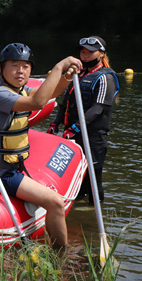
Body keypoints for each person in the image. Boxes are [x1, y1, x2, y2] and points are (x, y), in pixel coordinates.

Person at [0, 43, 81, 249]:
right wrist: (59, 67)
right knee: (55, 202)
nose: (21, 70)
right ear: (2, 68)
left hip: (6, 166)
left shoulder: (17, 89)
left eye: (26, 66)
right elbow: (38, 103)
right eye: (14, 65)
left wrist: (65, 78)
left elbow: (49, 94)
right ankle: (60, 256)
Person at [48, 36, 119, 204]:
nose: (85, 56)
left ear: (101, 54)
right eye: (83, 52)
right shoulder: (77, 75)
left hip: (94, 134)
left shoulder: (106, 77)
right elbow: (65, 103)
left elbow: (97, 109)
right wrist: (55, 123)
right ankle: (77, 203)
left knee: (94, 173)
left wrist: (75, 128)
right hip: (73, 132)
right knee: (76, 171)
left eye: (90, 53)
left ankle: (94, 208)